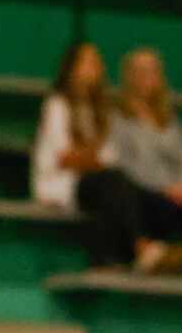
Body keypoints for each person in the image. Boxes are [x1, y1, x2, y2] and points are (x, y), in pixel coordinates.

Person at [31, 40, 158, 272]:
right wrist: (92, 158)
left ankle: (119, 256)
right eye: (87, 62)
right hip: (60, 182)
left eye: (96, 62)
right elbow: (64, 157)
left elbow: (109, 156)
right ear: (72, 67)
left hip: (94, 180)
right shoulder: (57, 105)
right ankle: (133, 248)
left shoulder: (100, 110)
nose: (93, 68)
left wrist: (93, 159)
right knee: (110, 182)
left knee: (119, 183)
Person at [111, 48, 182, 275]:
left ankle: (179, 265)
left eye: (153, 70)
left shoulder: (170, 119)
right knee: (157, 210)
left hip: (178, 192)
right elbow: (125, 165)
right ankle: (157, 260)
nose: (148, 77)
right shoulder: (119, 117)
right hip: (145, 191)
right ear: (129, 75)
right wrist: (164, 188)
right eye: (141, 71)